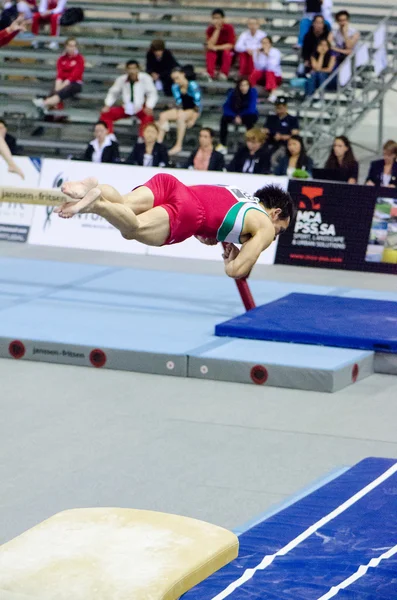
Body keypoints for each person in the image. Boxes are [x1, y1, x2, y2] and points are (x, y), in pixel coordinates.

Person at [55, 175, 294, 279]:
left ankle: (89, 188)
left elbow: (212, 213)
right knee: (133, 229)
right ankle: (97, 204)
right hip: (190, 211)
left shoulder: (239, 194)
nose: (273, 238)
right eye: (279, 230)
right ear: (275, 213)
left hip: (171, 186)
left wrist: (208, 234)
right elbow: (236, 271)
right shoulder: (264, 226)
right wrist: (232, 259)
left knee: (124, 204)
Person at [99, 60, 158, 139]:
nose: (132, 71)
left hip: (140, 107)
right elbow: (113, 93)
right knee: (106, 114)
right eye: (130, 69)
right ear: (126, 70)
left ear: (138, 69)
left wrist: (149, 106)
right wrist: (107, 104)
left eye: (134, 69)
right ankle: (108, 137)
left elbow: (152, 93)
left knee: (148, 116)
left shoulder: (145, 78)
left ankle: (143, 138)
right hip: (126, 107)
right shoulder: (121, 79)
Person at [32, 37, 84, 113]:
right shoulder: (61, 58)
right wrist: (58, 86)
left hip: (75, 83)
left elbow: (74, 76)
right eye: (70, 46)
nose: (72, 48)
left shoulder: (79, 59)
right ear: (66, 46)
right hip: (62, 81)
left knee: (66, 89)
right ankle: (48, 106)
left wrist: (61, 87)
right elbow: (59, 74)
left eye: (74, 46)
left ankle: (44, 103)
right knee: (55, 87)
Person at [157, 67, 201, 156]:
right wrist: (178, 110)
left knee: (181, 117)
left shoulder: (192, 85)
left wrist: (193, 119)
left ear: (183, 74)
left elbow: (198, 104)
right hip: (182, 109)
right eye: (174, 79)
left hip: (193, 110)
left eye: (177, 78)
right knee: (163, 115)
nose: (176, 81)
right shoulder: (175, 87)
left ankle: (178, 145)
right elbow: (179, 102)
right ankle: (158, 144)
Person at [218, 78, 258, 151]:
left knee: (251, 120)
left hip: (247, 114)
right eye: (242, 85)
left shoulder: (253, 92)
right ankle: (223, 144)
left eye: (246, 85)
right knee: (223, 119)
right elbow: (226, 106)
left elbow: (251, 108)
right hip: (235, 114)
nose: (244, 87)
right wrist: (234, 116)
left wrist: (240, 116)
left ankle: (251, 144)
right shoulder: (233, 92)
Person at [205, 9, 236, 81]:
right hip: (216, 55)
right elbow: (209, 45)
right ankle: (210, 74)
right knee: (210, 53)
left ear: (223, 19)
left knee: (227, 52)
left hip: (227, 55)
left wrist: (216, 47)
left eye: (218, 18)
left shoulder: (229, 28)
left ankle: (224, 74)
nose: (216, 20)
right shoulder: (210, 29)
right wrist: (217, 30)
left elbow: (230, 45)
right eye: (214, 18)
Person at [250, 36, 282, 103]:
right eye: (263, 43)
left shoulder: (275, 52)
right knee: (255, 73)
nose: (264, 45)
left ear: (270, 44)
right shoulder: (258, 52)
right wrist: (257, 56)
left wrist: (268, 55)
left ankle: (273, 93)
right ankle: (250, 91)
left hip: (275, 76)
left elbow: (272, 67)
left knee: (269, 72)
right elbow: (258, 67)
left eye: (266, 43)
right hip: (263, 76)